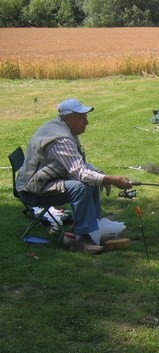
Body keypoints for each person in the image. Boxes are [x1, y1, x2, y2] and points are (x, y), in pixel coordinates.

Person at [15, 99, 133, 254]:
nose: (87, 122)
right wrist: (113, 180)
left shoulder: (63, 128)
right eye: (82, 118)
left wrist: (102, 175)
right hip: (32, 190)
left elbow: (78, 163)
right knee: (80, 186)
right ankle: (82, 240)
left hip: (43, 181)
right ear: (69, 118)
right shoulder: (60, 139)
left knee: (90, 181)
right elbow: (81, 173)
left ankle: (91, 227)